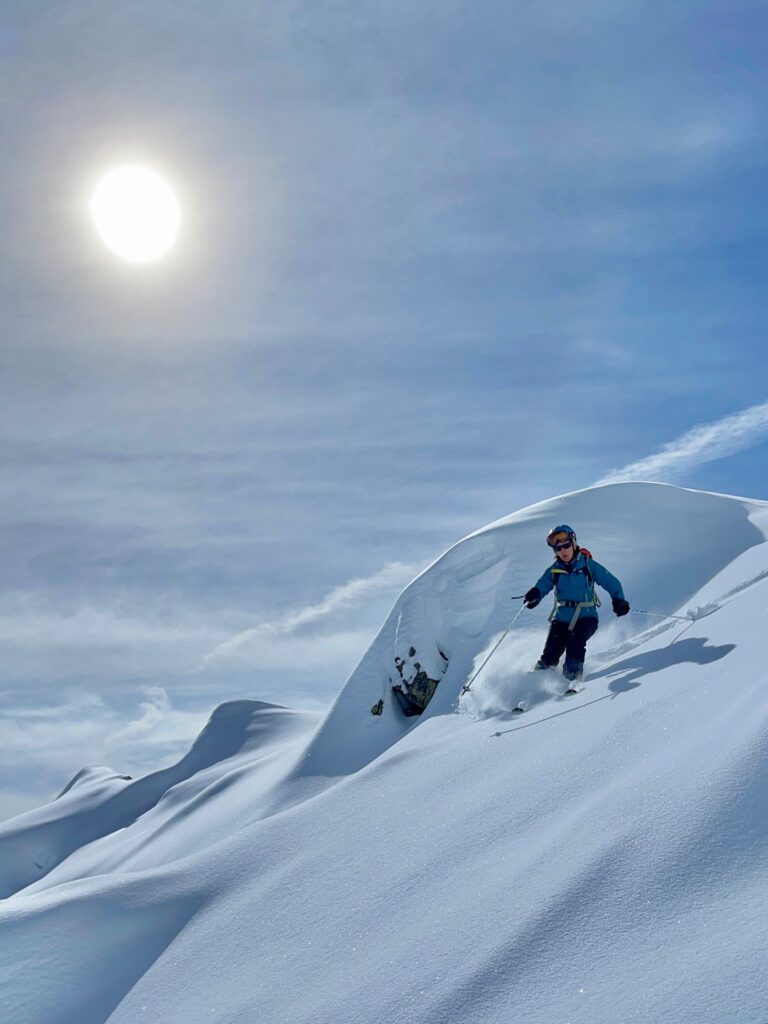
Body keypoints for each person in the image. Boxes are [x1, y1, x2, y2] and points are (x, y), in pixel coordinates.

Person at [523, 524, 630, 683]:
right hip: (561, 618)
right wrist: (535, 595)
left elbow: (611, 581)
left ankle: (570, 680)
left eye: (566, 546)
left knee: (575, 643)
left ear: (573, 543)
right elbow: (543, 585)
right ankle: (536, 684)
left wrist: (618, 599)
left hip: (586, 617)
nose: (563, 551)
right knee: (551, 653)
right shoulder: (554, 570)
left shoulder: (587, 565)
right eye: (558, 549)